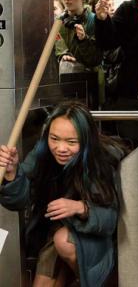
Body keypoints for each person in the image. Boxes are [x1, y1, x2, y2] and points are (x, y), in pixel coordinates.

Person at [0, 100, 126, 287]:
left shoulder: (100, 162)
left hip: (90, 241)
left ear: (86, 140)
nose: (60, 148)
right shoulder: (42, 155)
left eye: (71, 142)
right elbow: (20, 201)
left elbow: (108, 222)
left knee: (63, 241)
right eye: (54, 138)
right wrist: (12, 174)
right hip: (53, 233)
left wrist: (80, 207)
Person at [94, 0, 138, 149]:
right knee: (131, 144)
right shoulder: (129, 9)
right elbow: (108, 42)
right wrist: (102, 20)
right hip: (132, 91)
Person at [56, 0, 104, 107]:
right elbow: (55, 47)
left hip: (90, 88)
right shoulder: (57, 23)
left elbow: (95, 59)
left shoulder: (95, 22)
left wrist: (83, 40)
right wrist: (63, 55)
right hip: (65, 87)